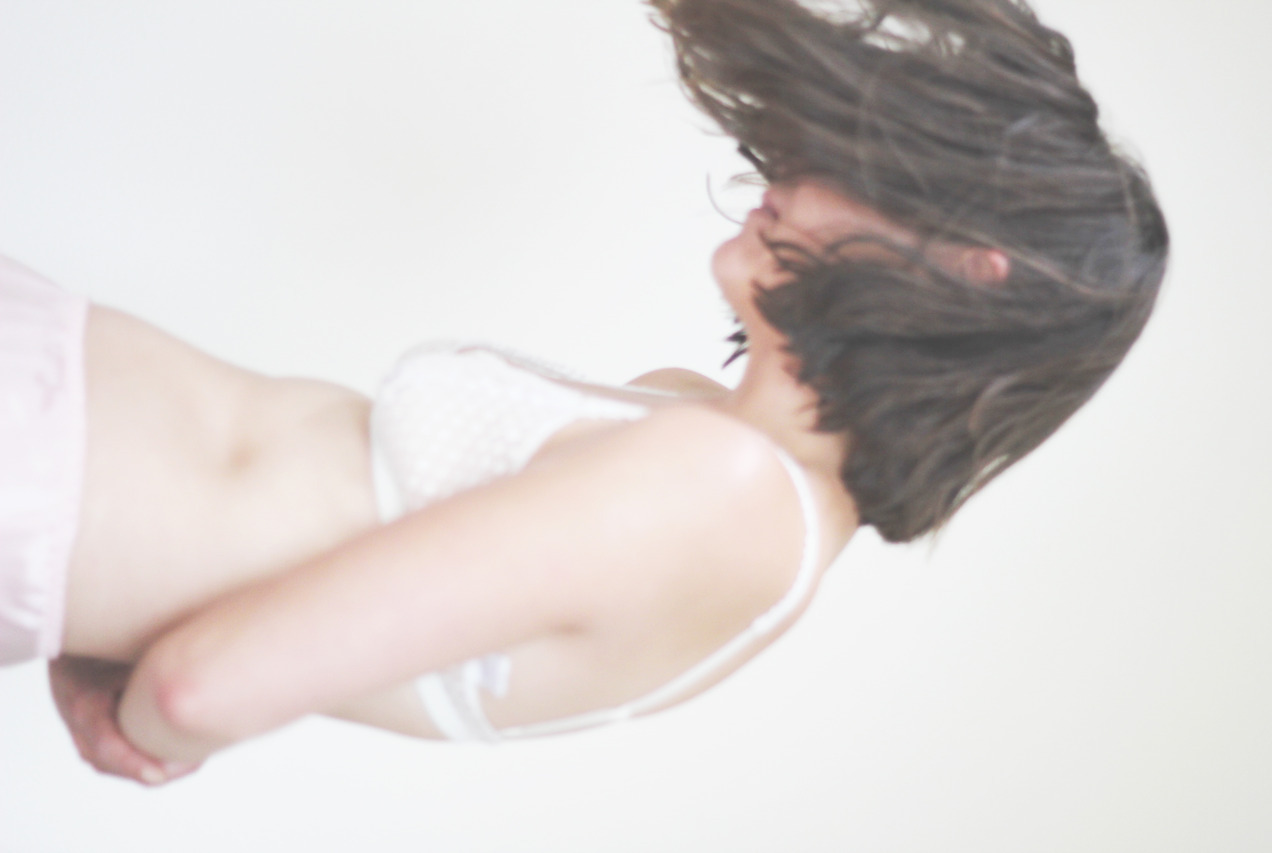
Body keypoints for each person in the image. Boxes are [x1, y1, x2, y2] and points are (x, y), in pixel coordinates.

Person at [15, 0, 1166, 785]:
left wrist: (137, 698)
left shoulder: (726, 492)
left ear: (968, 268)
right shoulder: (701, 438)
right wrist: (106, 628)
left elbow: (201, 685)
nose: (796, 171)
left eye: (870, 170)